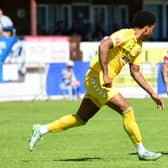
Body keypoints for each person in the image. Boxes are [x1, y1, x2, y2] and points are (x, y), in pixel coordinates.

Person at [29, 11, 164, 160]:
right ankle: (141, 151)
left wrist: (152, 93)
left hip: (100, 81)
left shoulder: (138, 46)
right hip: (96, 76)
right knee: (127, 109)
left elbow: (135, 72)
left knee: (80, 119)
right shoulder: (126, 34)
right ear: (146, 28)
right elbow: (103, 45)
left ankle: (41, 129)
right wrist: (106, 73)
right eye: (153, 28)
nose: (153, 31)